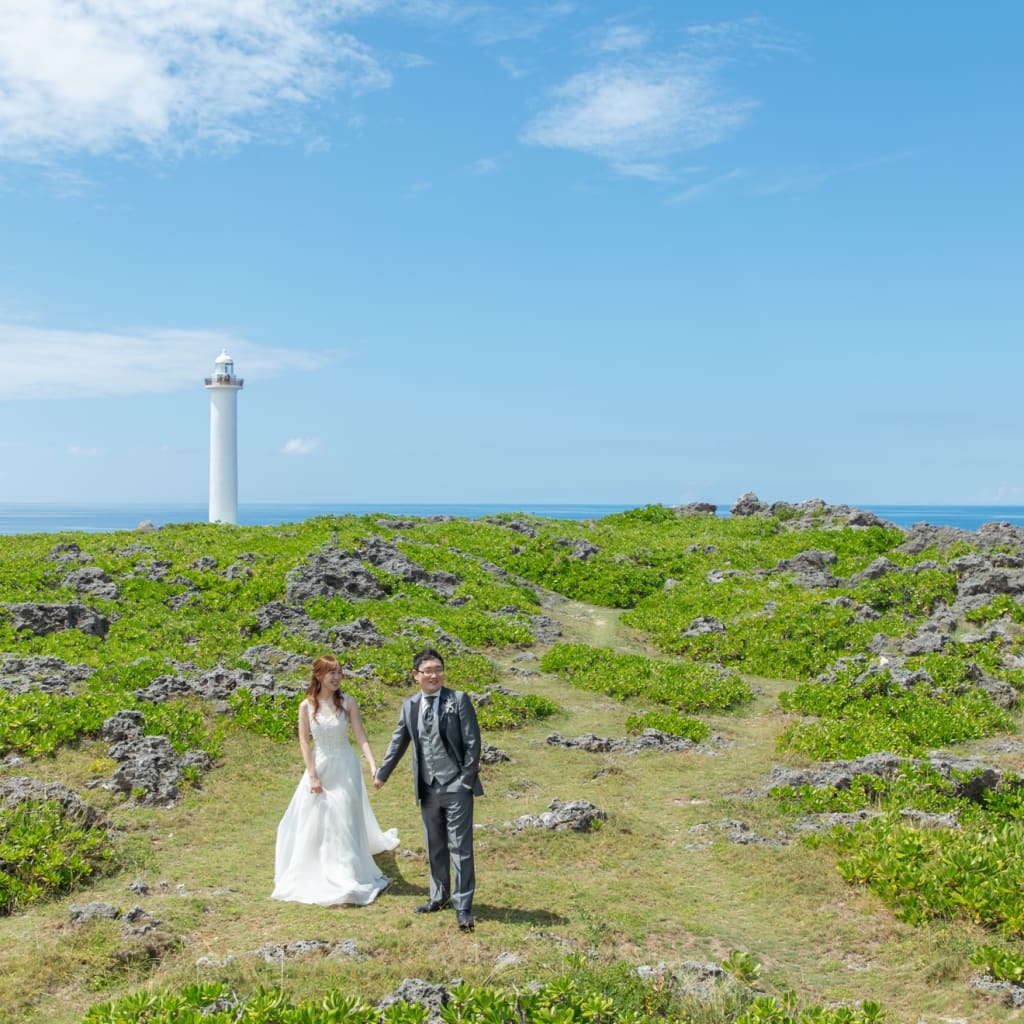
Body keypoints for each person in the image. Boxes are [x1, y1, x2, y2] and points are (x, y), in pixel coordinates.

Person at [272, 655, 399, 905]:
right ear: (318, 675)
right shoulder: (306, 706)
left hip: (346, 766)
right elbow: (304, 742)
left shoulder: (348, 702)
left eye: (339, 672)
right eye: (331, 672)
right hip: (321, 765)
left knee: (346, 816)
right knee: (318, 817)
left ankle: (348, 872)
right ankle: (320, 864)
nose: (336, 677)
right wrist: (312, 775)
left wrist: (373, 764)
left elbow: (360, 736)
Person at [374, 648, 482, 931]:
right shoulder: (410, 705)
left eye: (438, 670)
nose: (434, 675)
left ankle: (463, 906)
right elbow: (399, 740)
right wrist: (382, 773)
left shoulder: (458, 700)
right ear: (416, 676)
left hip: (456, 785)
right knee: (435, 846)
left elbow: (473, 743)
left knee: (461, 847)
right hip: (427, 787)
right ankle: (438, 898)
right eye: (428, 671)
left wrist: (466, 781)